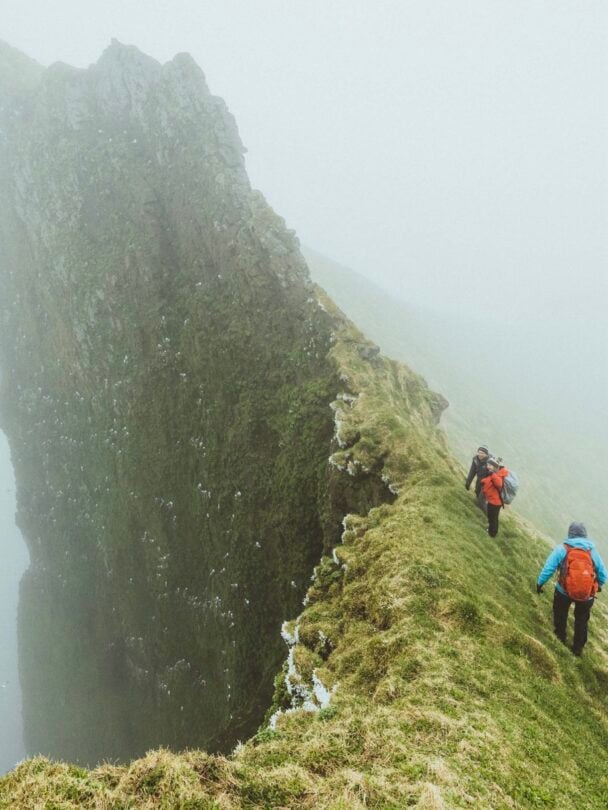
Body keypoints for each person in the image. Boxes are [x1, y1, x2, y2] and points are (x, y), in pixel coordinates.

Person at [536, 522, 607, 657]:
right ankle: (577, 649)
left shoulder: (563, 548)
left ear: (570, 533)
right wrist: (598, 585)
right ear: (585, 535)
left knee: (560, 614)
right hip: (587, 595)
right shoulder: (592, 551)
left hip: (563, 591)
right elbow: (603, 574)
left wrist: (540, 583)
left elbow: (549, 568)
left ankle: (560, 639)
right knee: (581, 620)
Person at [481, 457, 508, 537]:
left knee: (493, 518)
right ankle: (491, 530)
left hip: (495, 502)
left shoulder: (497, 475)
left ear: (495, 467)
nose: (488, 466)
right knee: (491, 516)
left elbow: (499, 484)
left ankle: (492, 534)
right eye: (488, 464)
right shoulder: (493, 473)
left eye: (490, 465)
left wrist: (492, 475)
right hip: (492, 500)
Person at [465, 446, 491, 510]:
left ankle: (489, 515)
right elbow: (472, 471)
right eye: (479, 452)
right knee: (477, 492)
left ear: (486, 454)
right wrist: (468, 482)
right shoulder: (475, 460)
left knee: (481, 499)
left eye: (482, 453)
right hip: (479, 480)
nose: (480, 454)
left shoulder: (489, 462)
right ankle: (479, 509)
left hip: (488, 483)